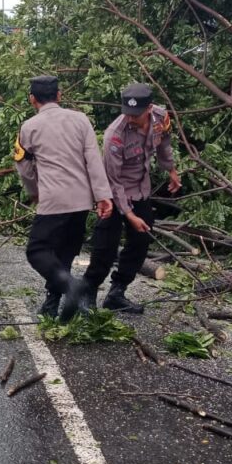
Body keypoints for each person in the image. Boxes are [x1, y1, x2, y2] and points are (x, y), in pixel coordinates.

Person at [14, 75, 113, 321]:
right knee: (65, 252)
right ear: (59, 96)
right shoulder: (81, 120)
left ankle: (69, 286)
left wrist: (34, 191)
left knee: (37, 251)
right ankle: (53, 302)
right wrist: (102, 196)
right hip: (81, 201)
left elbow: (25, 169)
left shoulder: (29, 127)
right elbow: (93, 160)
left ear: (32, 100)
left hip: (53, 200)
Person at [82, 83, 181, 313]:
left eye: (136, 114)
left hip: (140, 189)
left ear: (149, 108)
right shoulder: (115, 135)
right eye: (127, 112)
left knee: (141, 241)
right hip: (114, 194)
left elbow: (164, 144)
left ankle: (117, 293)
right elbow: (113, 180)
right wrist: (129, 214)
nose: (131, 118)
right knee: (105, 246)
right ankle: (88, 291)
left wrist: (172, 171)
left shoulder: (160, 117)